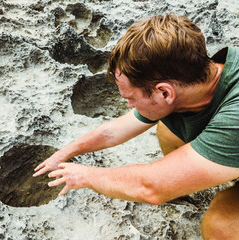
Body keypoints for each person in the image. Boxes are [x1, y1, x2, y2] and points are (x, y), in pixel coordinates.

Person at [33, 14, 239, 239]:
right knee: (169, 129)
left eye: (131, 98)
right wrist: (65, 153)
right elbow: (112, 132)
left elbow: (151, 187)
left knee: (221, 224)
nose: (130, 105)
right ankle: (188, 179)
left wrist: (84, 176)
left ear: (164, 92)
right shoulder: (200, 78)